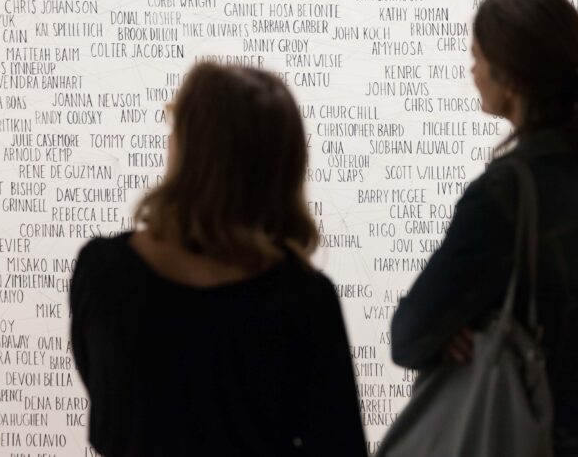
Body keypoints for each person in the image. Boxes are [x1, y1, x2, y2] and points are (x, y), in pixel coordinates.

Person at [389, 0, 578, 457]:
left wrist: (460, 330)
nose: (472, 71)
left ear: (507, 77)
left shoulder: (504, 195)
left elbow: (408, 337)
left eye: (477, 57)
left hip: (531, 438)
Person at [69, 62, 368, 457]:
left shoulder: (103, 273)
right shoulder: (305, 299)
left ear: (185, 149)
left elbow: (109, 418)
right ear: (283, 165)